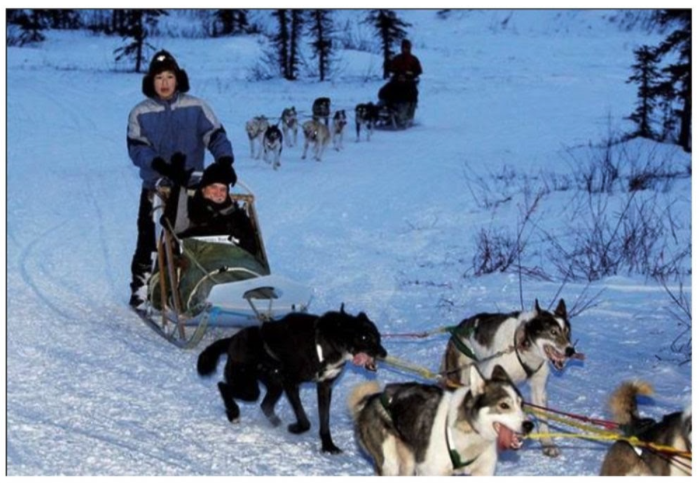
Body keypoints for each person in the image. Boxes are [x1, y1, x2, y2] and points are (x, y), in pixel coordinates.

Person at [127, 49, 235, 310]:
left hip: (192, 185)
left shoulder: (196, 107)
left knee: (188, 234)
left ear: (178, 79)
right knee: (148, 235)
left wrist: (224, 162)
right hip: (157, 185)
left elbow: (215, 135)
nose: (164, 83)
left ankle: (188, 283)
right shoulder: (140, 112)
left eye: (169, 77)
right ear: (151, 81)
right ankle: (141, 286)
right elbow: (137, 148)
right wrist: (161, 166)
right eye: (159, 78)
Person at [378, 39, 423, 123]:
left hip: (408, 82)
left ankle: (406, 115)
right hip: (396, 82)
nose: (405, 49)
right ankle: (384, 108)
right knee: (385, 91)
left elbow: (418, 71)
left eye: (407, 48)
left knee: (410, 94)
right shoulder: (397, 58)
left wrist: (410, 75)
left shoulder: (414, 59)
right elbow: (392, 68)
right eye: (403, 48)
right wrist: (397, 73)